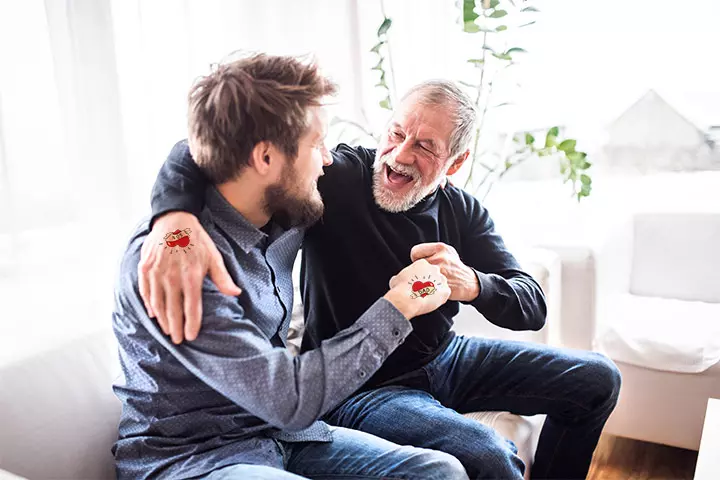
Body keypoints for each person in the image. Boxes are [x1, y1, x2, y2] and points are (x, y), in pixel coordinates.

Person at [142, 77, 622, 479]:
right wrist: (172, 218)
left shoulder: (463, 211)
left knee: (598, 379)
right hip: (364, 386)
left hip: (446, 358)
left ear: (455, 163)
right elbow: (201, 147)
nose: (400, 154)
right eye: (397, 133)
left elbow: (531, 304)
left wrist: (470, 282)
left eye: (425, 146)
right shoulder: (338, 176)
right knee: (487, 455)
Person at [111, 52, 469, 480]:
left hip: (276, 436)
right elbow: (289, 398)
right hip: (195, 459)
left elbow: (191, 148)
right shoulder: (181, 260)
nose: (328, 159)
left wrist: (173, 209)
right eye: (317, 143)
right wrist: (401, 303)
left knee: (438, 472)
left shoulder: (284, 210)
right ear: (265, 159)